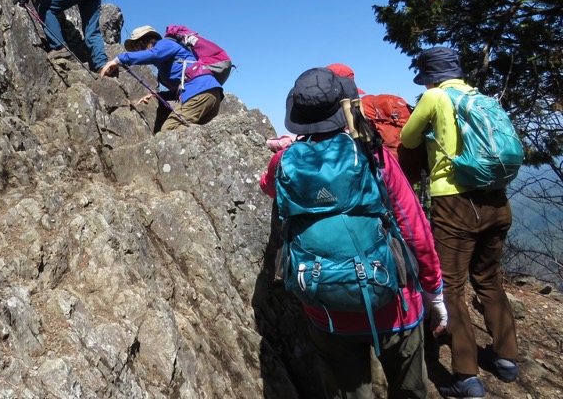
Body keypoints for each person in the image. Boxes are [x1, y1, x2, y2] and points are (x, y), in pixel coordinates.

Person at [262, 67, 447, 399]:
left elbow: (268, 187)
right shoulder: (372, 155)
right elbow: (413, 227)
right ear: (343, 107)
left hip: (326, 308)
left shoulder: (284, 163)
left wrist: (291, 152)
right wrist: (434, 291)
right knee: (410, 389)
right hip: (395, 304)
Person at [401, 47, 520, 398]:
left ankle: (467, 375)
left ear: (430, 76)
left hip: (455, 202)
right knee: (489, 279)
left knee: (450, 285)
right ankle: (507, 358)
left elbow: (408, 138)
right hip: (497, 200)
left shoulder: (435, 96)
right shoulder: (482, 98)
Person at [100, 25, 223, 131]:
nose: (137, 50)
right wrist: (158, 96)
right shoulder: (165, 66)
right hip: (209, 94)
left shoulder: (165, 44)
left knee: (169, 130)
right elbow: (181, 88)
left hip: (200, 92)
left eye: (137, 46)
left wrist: (119, 59)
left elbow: (153, 54)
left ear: (146, 40)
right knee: (191, 131)